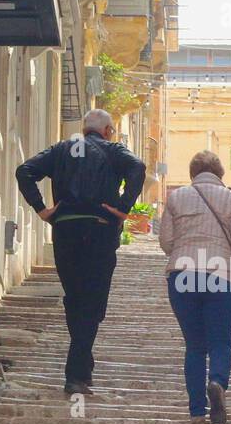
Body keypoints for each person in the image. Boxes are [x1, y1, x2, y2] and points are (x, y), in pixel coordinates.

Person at [16, 109, 146, 396]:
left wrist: (42, 210)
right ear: (108, 131)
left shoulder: (62, 149)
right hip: (98, 231)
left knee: (76, 300)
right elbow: (138, 167)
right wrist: (123, 208)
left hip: (65, 231)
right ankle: (75, 374)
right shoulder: (113, 150)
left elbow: (24, 171)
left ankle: (82, 367)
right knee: (92, 303)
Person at [160, 150, 231, 424]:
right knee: (221, 342)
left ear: (192, 173)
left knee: (195, 346)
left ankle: (197, 411)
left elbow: (165, 242)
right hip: (220, 275)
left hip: (183, 276)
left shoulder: (176, 197)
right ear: (220, 172)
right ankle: (218, 382)